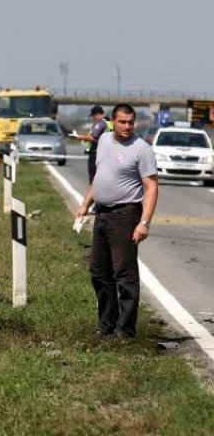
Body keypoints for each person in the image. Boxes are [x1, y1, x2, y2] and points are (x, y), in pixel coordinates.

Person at [73, 103, 158, 338]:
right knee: (99, 271)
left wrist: (144, 222)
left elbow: (151, 187)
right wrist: (84, 204)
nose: (127, 126)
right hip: (101, 213)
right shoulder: (104, 141)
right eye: (122, 121)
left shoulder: (141, 149)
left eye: (131, 122)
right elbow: (99, 177)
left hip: (125, 214)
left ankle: (125, 330)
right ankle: (107, 326)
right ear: (113, 120)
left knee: (124, 274)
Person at [75, 105, 110, 183]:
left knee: (93, 179)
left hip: (96, 153)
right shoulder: (110, 122)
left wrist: (81, 137)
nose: (93, 119)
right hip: (106, 153)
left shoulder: (101, 123)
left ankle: (92, 195)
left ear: (97, 114)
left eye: (93, 116)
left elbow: (92, 137)